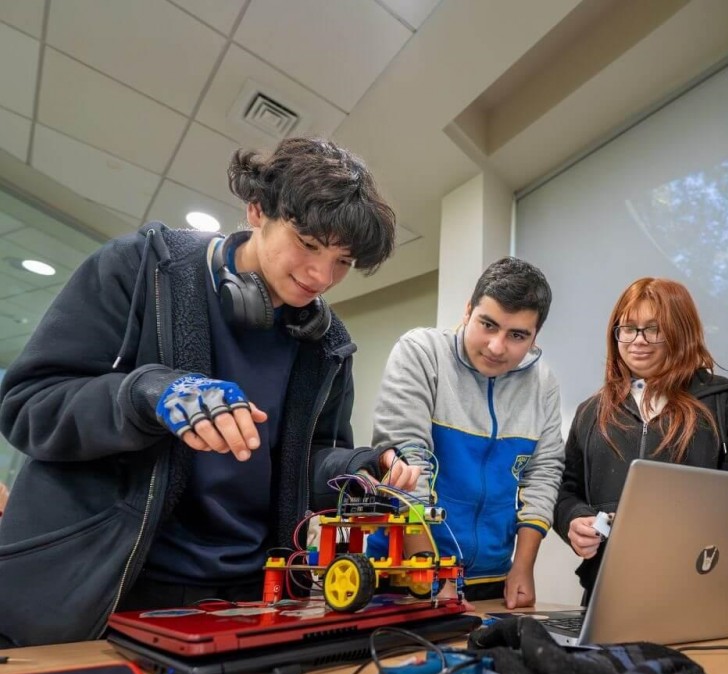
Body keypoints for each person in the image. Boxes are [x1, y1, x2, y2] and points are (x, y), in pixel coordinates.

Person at [0, 137, 420, 647]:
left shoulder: (327, 346)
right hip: (110, 583)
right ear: (257, 209)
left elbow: (305, 464)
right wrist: (149, 393)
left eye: (343, 262)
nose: (321, 276)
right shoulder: (142, 270)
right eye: (309, 245)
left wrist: (358, 471)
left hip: (252, 593)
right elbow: (29, 406)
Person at [555, 277, 728, 600]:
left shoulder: (722, 403)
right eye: (627, 328)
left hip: (700, 591)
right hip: (608, 592)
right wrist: (573, 520)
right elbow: (565, 491)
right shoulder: (591, 412)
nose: (637, 341)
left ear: (680, 332)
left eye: (654, 329)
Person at [370, 257, 564, 608]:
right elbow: (407, 463)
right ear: (467, 310)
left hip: (490, 581)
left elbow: (544, 474)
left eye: (517, 335)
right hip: (403, 576)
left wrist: (523, 567)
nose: (496, 347)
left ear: (535, 336)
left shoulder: (543, 384)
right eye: (487, 325)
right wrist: (428, 574)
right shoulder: (421, 353)